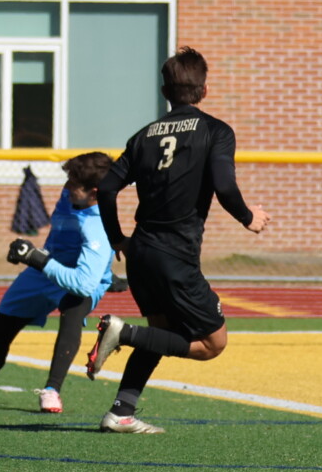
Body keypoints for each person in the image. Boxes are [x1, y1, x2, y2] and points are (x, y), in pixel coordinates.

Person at [82, 48, 271, 435]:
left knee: (163, 331)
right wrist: (249, 217)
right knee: (212, 343)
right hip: (175, 256)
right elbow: (224, 186)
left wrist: (118, 237)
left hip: (140, 253)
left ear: (164, 90)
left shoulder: (142, 137)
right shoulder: (215, 131)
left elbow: (107, 189)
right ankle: (123, 332)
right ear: (203, 89)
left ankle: (121, 412)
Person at [0, 151, 116, 414]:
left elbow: (84, 283)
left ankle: (52, 390)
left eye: (74, 183)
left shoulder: (98, 225)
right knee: (1, 329)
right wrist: (32, 256)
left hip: (79, 275)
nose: (67, 186)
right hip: (46, 265)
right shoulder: (72, 193)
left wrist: (36, 258)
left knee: (73, 309)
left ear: (94, 192)